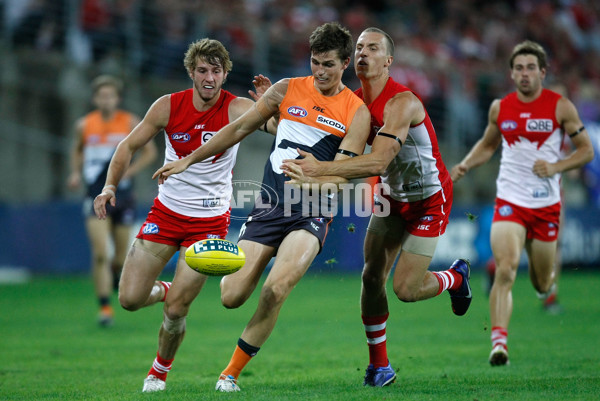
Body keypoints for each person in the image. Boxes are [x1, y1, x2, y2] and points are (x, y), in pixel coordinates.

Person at [153, 22, 372, 392]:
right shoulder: (286, 89)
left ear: (345, 63)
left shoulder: (356, 111)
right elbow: (237, 129)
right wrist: (188, 159)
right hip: (270, 206)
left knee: (275, 289)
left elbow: (346, 172)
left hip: (313, 210)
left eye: (329, 65)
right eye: (315, 63)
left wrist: (317, 177)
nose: (320, 72)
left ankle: (230, 374)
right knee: (230, 296)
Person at [281, 27, 472, 387]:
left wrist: (319, 170)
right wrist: (275, 118)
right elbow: (318, 137)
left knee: (405, 289)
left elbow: (379, 161)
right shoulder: (354, 104)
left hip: (428, 198)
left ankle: (456, 278)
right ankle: (379, 368)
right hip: (390, 197)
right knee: (371, 276)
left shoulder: (403, 102)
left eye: (373, 48)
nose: (364, 53)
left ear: (388, 61)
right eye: (359, 47)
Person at [93, 38, 269, 392]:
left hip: (208, 223)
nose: (209, 77)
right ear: (191, 72)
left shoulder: (236, 109)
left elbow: (281, 129)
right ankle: (167, 288)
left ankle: (158, 372)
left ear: (224, 74)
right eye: (202, 70)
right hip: (166, 213)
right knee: (128, 299)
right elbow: (128, 145)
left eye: (216, 71)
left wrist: (268, 106)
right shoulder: (168, 106)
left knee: (176, 310)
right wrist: (109, 186)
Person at [450, 40, 594, 366]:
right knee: (505, 270)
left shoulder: (561, 107)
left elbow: (586, 150)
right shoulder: (501, 107)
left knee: (541, 281)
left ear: (542, 72)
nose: (524, 74)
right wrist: (466, 164)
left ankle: (547, 288)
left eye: (531, 68)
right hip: (510, 201)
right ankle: (499, 342)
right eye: (519, 68)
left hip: (546, 206)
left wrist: (556, 167)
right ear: (512, 74)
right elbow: (488, 145)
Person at [67, 75, 157, 327]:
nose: (106, 100)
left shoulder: (129, 122)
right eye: (101, 96)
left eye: (110, 96)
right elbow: (77, 149)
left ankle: (116, 275)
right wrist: (75, 172)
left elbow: (150, 152)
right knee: (100, 255)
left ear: (117, 99)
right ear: (95, 99)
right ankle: (105, 307)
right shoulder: (84, 124)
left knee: (119, 257)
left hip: (123, 195)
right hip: (94, 193)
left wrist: (129, 171)